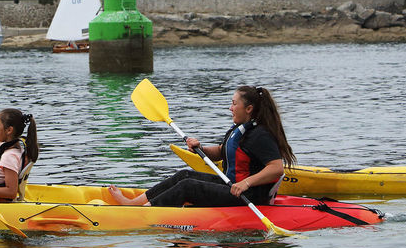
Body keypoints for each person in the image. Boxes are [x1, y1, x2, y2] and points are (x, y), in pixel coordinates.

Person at [107, 86, 296, 207]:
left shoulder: (260, 135)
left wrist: (245, 183)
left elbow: (276, 168)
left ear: (249, 109)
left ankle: (145, 213)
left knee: (188, 186)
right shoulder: (240, 130)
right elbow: (223, 152)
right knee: (184, 175)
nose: (230, 108)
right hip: (230, 186)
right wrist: (201, 148)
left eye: (234, 103)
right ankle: (133, 204)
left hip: (248, 195)